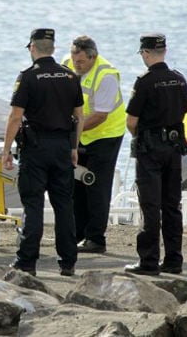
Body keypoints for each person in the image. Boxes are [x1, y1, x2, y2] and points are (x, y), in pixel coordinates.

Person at [2, 28, 84, 277]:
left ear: (32, 48)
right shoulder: (70, 77)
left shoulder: (28, 77)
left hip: (35, 148)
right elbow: (79, 117)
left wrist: (6, 149)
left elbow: (16, 116)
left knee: (33, 205)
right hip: (61, 147)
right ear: (53, 49)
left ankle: (27, 262)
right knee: (63, 206)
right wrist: (73, 147)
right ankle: (68, 263)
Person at [124, 33, 187, 275]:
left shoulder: (145, 81)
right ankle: (174, 260)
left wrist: (140, 137)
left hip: (150, 149)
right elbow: (184, 110)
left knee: (150, 206)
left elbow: (131, 121)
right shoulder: (179, 79)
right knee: (172, 205)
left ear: (146, 53)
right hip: (174, 148)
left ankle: (148, 261)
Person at [62, 36, 126, 254]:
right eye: (73, 59)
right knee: (77, 183)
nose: (75, 65)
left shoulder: (106, 75)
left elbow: (100, 116)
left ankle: (96, 238)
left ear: (93, 57)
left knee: (96, 186)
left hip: (105, 135)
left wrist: (71, 131)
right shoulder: (68, 64)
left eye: (80, 62)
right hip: (81, 134)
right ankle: (79, 234)